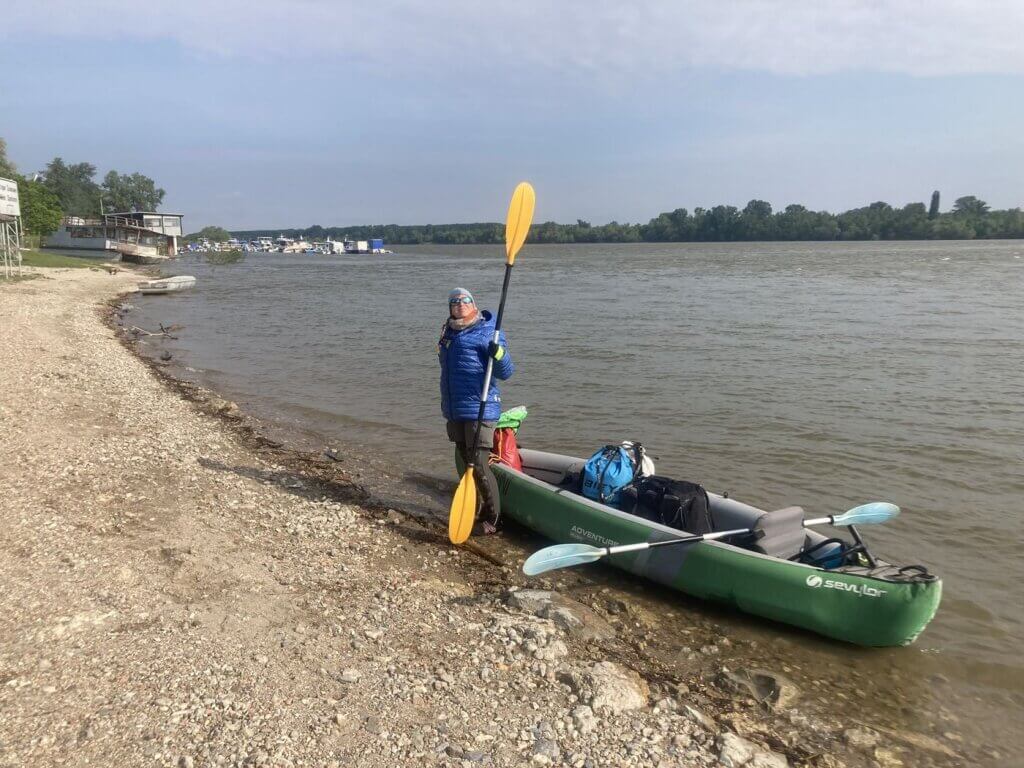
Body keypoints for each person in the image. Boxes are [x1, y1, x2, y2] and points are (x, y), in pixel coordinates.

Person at [438, 287, 514, 533]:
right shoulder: (448, 332)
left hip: (481, 407)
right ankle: (474, 508)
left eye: (465, 300)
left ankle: (492, 519)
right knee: (464, 458)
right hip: (455, 407)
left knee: (479, 463)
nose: (460, 304)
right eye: (455, 301)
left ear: (474, 304)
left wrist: (499, 354)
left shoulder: (488, 332)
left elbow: (506, 372)